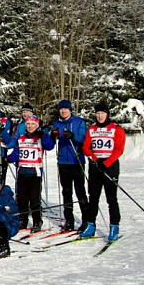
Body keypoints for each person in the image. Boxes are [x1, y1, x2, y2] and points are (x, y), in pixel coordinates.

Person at [80, 102, 126, 241]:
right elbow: (86, 148)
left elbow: (119, 149)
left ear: (107, 114)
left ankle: (114, 226)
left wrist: (106, 162)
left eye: (102, 113)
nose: (100, 116)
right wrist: (96, 159)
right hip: (95, 167)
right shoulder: (92, 129)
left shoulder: (116, 129)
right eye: (98, 113)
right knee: (93, 198)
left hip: (110, 167)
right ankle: (90, 225)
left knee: (111, 198)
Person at [8, 114, 55, 232]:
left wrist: (44, 135)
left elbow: (50, 146)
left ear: (37, 125)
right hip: (22, 173)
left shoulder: (40, 137)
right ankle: (23, 220)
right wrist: (8, 158)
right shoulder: (21, 138)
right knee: (22, 199)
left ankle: (37, 221)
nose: (30, 126)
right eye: (28, 124)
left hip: (35, 174)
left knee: (34, 200)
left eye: (33, 124)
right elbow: (16, 153)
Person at [50, 99, 89, 232]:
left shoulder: (79, 122)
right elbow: (51, 142)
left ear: (70, 110)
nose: (63, 111)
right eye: (61, 109)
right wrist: (53, 135)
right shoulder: (57, 123)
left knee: (80, 191)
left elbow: (85, 139)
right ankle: (69, 220)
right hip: (63, 162)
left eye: (65, 109)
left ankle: (86, 220)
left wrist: (73, 136)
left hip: (76, 160)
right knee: (66, 192)